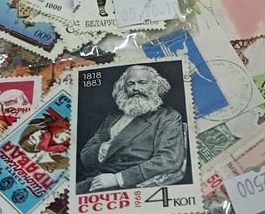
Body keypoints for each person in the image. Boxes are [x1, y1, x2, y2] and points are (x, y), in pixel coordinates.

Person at [75, 65, 186, 194]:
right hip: (93, 179)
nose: (136, 88)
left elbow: (168, 159)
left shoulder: (167, 116)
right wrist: (104, 148)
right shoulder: (113, 116)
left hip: (130, 185)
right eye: (130, 84)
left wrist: (117, 179)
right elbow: (86, 154)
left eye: (142, 82)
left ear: (155, 86)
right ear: (124, 88)